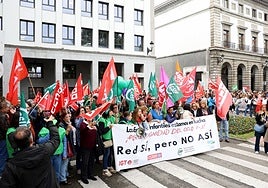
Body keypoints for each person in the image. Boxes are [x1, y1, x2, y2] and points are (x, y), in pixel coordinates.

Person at [0, 115, 60, 188]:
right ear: (31, 140)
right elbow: (55, 139)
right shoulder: (44, 150)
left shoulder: (11, 165)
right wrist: (50, 123)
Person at [80, 117, 98, 184]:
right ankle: (84, 176)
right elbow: (83, 132)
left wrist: (95, 129)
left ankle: (90, 174)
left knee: (91, 161)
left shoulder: (93, 125)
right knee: (85, 162)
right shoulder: (83, 124)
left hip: (92, 146)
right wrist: (89, 126)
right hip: (85, 147)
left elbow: (95, 134)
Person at [0, 97, 12, 177]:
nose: (9, 109)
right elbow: (5, 129)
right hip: (2, 139)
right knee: (3, 155)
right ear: (4, 107)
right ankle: (2, 172)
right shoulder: (3, 117)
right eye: (8, 107)